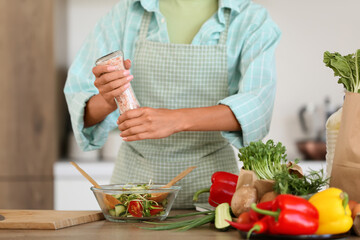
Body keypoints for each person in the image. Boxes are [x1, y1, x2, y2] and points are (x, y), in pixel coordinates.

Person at [64, 0, 281, 209]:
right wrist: (107, 97)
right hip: (134, 186)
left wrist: (176, 119)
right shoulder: (126, 13)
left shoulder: (250, 19)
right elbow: (82, 108)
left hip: (213, 186)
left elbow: (257, 106)